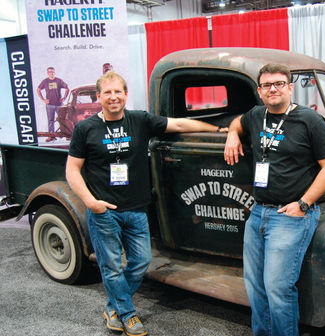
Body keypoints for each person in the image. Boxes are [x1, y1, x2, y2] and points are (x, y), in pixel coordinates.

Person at [66, 71, 224, 336]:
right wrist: (91, 202)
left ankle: (113, 306)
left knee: (141, 262)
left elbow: (180, 125)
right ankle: (127, 314)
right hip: (105, 211)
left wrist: (219, 130)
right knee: (112, 266)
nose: (113, 97)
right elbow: (72, 169)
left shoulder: (139, 120)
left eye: (118, 92)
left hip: (136, 209)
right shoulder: (85, 129)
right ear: (98, 97)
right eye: (107, 93)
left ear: (126, 94)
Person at [224, 63, 325, 336]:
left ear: (290, 87)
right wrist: (231, 134)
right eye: (266, 85)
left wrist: (303, 204)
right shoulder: (256, 115)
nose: (272, 89)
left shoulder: (310, 121)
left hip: (291, 216)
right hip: (259, 212)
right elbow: (236, 122)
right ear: (260, 91)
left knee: (278, 287)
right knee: (255, 286)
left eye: (278, 84)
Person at [37, 66, 69, 141]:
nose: (51, 73)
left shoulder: (59, 81)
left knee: (63, 120)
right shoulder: (45, 81)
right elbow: (38, 89)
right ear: (47, 73)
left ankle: (67, 135)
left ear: (54, 72)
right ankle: (51, 136)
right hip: (50, 105)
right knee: (50, 120)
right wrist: (43, 99)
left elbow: (67, 88)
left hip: (59, 105)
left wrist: (64, 98)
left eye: (52, 72)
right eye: (50, 72)